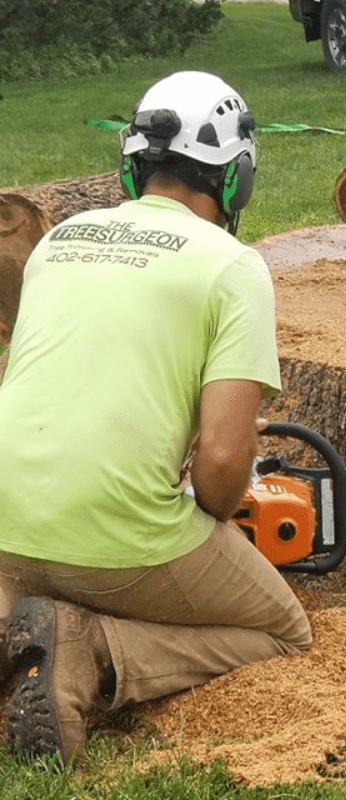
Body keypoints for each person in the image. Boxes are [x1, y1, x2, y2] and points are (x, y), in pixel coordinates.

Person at [0, 71, 312, 765]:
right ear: (236, 180)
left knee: (56, 564)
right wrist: (210, 502)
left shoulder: (60, 241)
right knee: (285, 629)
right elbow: (225, 470)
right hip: (114, 532)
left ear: (132, 165)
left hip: (6, 518)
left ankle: (19, 627)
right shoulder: (233, 268)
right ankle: (93, 655)